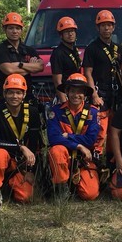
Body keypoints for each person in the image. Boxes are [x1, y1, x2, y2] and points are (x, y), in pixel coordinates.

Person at [0, 74, 42, 214]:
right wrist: (20, 147)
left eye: (18, 92)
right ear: (5, 93)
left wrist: (30, 171)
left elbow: (34, 143)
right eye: (11, 92)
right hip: (2, 155)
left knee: (25, 197)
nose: (14, 96)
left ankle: (9, 185)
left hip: (21, 162)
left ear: (24, 94)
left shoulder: (32, 112)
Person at [47, 73, 100, 201]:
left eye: (80, 92)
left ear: (85, 94)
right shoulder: (56, 111)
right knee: (57, 149)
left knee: (90, 195)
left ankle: (76, 182)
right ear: (66, 92)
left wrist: (67, 136)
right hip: (64, 157)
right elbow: (53, 138)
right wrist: (78, 145)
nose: (76, 95)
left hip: (84, 160)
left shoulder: (93, 112)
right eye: (73, 91)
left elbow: (90, 140)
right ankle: (61, 188)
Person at [83, 10, 122, 155]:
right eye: (103, 25)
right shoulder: (92, 48)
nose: (106, 28)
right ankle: (96, 160)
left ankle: (112, 161)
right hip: (100, 93)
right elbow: (87, 72)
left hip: (117, 94)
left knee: (116, 129)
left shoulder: (118, 48)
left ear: (113, 27)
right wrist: (93, 94)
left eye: (109, 25)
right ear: (98, 28)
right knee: (100, 130)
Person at [0, 12, 44, 101]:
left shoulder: (29, 50)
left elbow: (40, 66)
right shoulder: (0, 50)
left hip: (27, 95)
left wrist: (20, 65)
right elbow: (9, 70)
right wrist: (30, 67)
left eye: (17, 28)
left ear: (21, 30)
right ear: (4, 29)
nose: (14, 31)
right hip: (6, 96)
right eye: (11, 28)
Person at [50, 16, 82, 103]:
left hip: (76, 93)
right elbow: (57, 81)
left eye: (72, 31)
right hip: (65, 94)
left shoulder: (74, 50)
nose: (70, 34)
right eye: (67, 32)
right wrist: (64, 102)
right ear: (61, 35)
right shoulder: (58, 53)